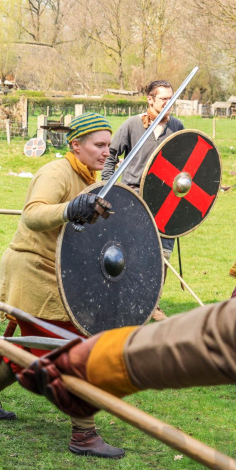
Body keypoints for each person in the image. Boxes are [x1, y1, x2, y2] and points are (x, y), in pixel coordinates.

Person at [16, 42, 236, 470]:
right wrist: (99, 364)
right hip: (50, 261)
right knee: (27, 340)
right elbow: (234, 331)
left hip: (138, 220)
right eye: (97, 146)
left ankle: (38, 411)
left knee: (27, 339)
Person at [0, 113, 124, 459]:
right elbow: (33, 215)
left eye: (109, 146)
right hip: (33, 269)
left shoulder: (91, 178)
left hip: (59, 273)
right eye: (99, 145)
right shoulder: (57, 173)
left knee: (31, 347)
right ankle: (84, 434)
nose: (105, 152)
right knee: (71, 350)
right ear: (76, 145)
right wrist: (71, 208)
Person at [102, 80, 185, 321]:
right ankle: (124, 301)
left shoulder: (177, 126)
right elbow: (110, 157)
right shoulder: (132, 125)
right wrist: (112, 188)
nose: (169, 103)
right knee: (131, 252)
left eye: (172, 99)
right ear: (150, 99)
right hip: (134, 196)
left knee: (162, 256)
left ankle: (152, 304)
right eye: (164, 99)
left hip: (165, 199)